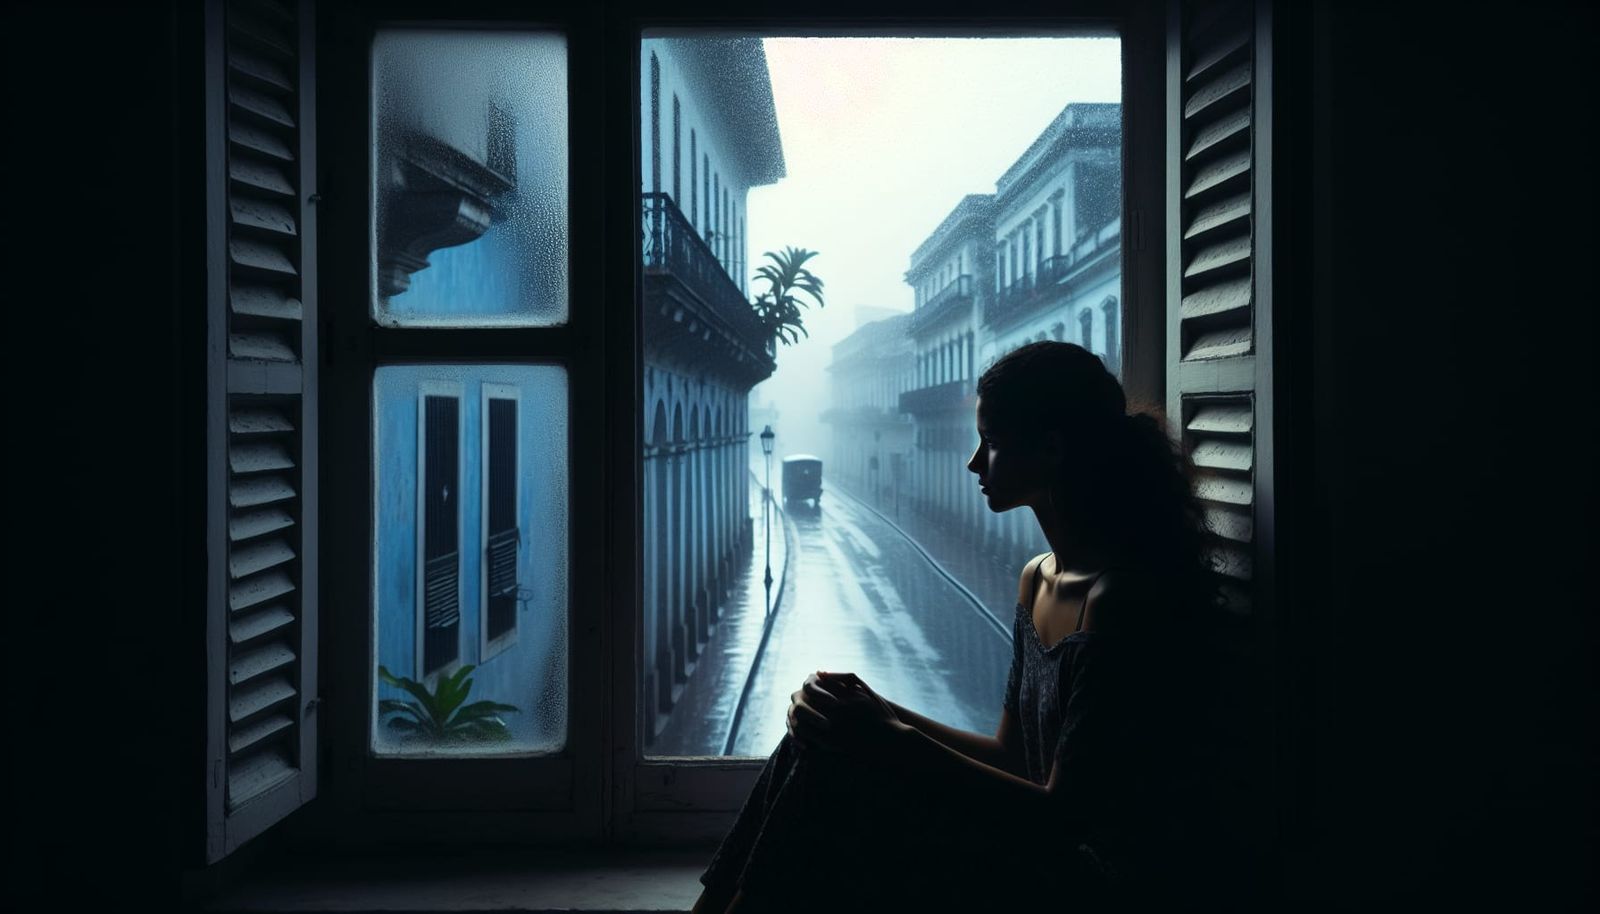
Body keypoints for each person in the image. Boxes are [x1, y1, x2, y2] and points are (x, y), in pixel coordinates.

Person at [693, 341, 1222, 913]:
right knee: (821, 736)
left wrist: (892, 740)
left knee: (834, 772)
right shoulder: (1036, 580)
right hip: (1033, 848)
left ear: (1050, 450)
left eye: (990, 443)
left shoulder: (1118, 600)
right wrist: (876, 709)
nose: (974, 462)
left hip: (1087, 881)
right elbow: (1009, 752)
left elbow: (1064, 818)